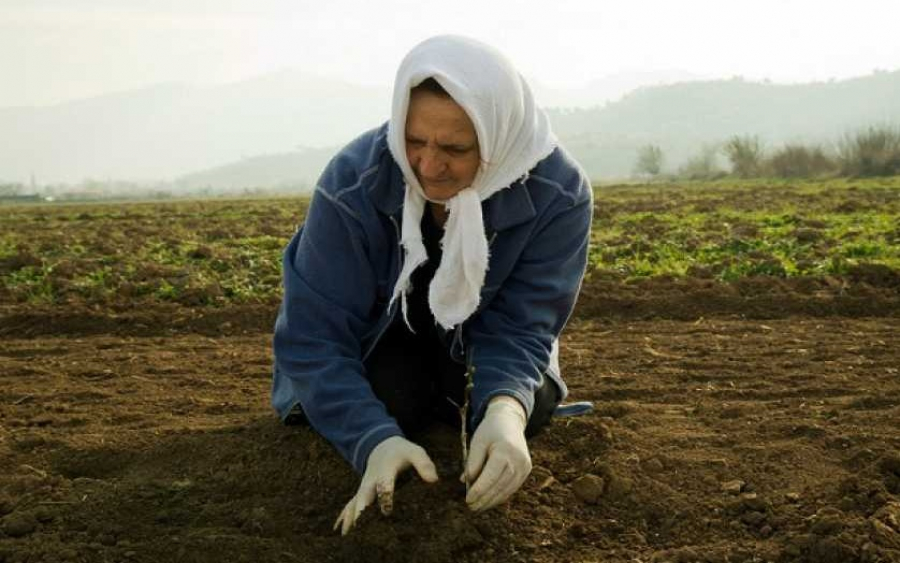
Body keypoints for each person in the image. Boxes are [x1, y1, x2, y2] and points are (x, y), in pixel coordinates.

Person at [271, 35, 593, 535]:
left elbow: (525, 325)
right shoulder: (354, 182)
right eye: (414, 141)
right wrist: (372, 440)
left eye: (455, 148)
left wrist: (506, 408)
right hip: (381, 338)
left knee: (531, 406)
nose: (427, 166)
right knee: (394, 402)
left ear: (498, 136)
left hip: (476, 337)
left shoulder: (557, 192)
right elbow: (314, 337)